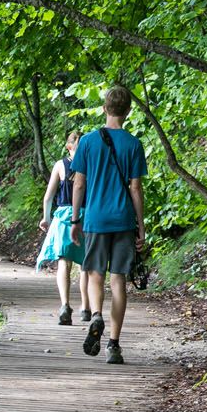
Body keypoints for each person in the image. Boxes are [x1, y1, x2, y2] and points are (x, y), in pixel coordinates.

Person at [69, 85, 147, 365]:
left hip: (95, 220)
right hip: (123, 220)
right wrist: (141, 226)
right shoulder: (134, 144)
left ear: (105, 108)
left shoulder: (88, 142)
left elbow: (79, 183)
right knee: (118, 281)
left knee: (93, 273)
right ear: (127, 111)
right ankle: (113, 345)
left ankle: (97, 315)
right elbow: (135, 189)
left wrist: (75, 219)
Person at [35, 131, 90, 325]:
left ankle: (65, 305)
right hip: (86, 217)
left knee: (64, 263)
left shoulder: (61, 165)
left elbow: (48, 196)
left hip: (64, 217)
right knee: (85, 265)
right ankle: (86, 308)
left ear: (68, 147)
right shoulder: (91, 165)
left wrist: (46, 217)